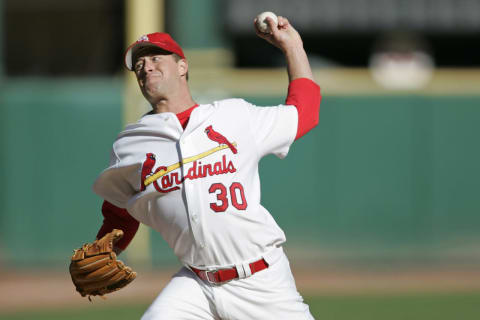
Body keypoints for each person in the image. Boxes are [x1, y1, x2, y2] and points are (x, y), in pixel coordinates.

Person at [93, 15, 321, 319]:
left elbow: (305, 111)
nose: (145, 67)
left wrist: (293, 46)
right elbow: (121, 208)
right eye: (138, 65)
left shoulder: (234, 116)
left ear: (182, 66)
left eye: (155, 58)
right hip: (196, 283)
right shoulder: (130, 144)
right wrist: (105, 249)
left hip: (260, 279)